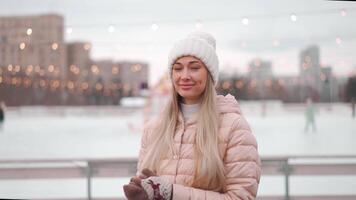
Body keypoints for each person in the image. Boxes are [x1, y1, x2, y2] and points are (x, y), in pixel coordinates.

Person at [123, 31, 261, 200]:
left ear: (209, 75)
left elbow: (241, 197)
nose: (185, 76)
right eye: (178, 68)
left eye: (194, 68)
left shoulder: (234, 128)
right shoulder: (154, 129)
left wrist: (172, 193)